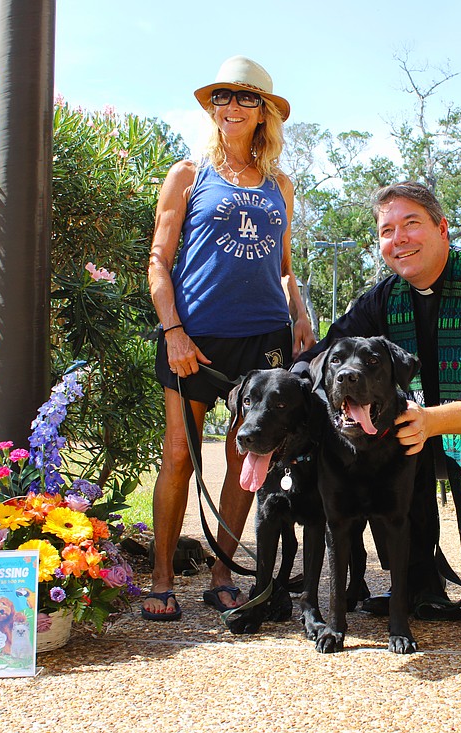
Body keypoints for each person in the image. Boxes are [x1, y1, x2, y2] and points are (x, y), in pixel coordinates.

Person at [294, 181, 461, 613]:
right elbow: (329, 350)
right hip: (418, 431)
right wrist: (285, 384)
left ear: (442, 228)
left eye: (411, 224)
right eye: (386, 230)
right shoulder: (383, 298)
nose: (399, 239)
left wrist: (430, 421)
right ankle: (419, 577)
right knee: (376, 442)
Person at [144, 56, 316, 620]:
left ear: (264, 112)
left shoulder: (279, 185)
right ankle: (162, 577)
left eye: (244, 98)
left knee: (249, 453)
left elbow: (285, 265)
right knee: (178, 455)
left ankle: (222, 574)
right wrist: (173, 330)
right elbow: (158, 261)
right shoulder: (188, 175)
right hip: (195, 337)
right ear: (212, 108)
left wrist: (301, 312)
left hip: (262, 339)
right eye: (222, 97)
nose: (231, 107)